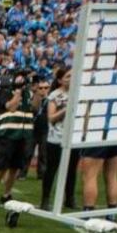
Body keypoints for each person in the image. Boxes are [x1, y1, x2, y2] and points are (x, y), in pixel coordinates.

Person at [0, 74, 33, 207]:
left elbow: (34, 108)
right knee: (0, 168)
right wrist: (17, 92)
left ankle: (7, 194)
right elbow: (11, 107)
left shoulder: (28, 93)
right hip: (7, 135)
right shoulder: (4, 93)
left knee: (14, 168)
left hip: (23, 135)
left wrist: (39, 94)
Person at [40, 67, 80, 210]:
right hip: (56, 139)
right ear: (60, 80)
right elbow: (51, 118)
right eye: (68, 76)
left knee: (72, 170)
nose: (71, 79)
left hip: (74, 138)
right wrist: (66, 108)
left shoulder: (78, 93)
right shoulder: (54, 95)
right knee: (51, 169)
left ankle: (69, 198)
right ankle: (45, 199)